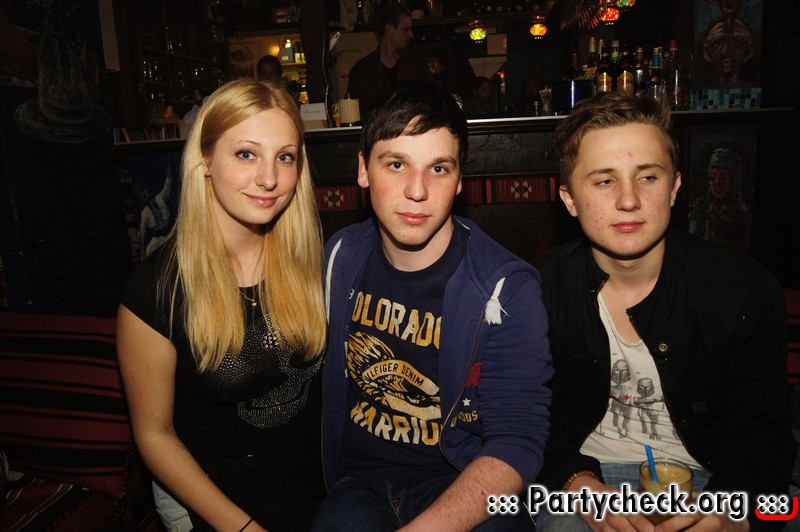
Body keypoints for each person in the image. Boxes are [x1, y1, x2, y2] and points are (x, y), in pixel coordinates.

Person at [532, 91, 793, 531]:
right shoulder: (538, 290)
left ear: (674, 188)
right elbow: (528, 423)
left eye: (648, 177)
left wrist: (733, 513)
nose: (629, 200)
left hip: (712, 481)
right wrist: (577, 483)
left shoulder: (743, 290)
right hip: (584, 481)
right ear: (569, 198)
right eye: (604, 181)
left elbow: (763, 433)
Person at [312, 80, 553, 531]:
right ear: (363, 170)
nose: (417, 190)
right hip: (358, 485)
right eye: (396, 164)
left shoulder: (504, 288)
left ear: (459, 180)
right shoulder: (340, 258)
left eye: (438, 168)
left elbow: (517, 440)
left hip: (465, 477)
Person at [116, 78, 328, 532]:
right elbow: (154, 435)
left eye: (285, 157)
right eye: (247, 154)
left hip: (320, 487)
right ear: (206, 159)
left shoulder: (313, 261)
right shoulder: (155, 291)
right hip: (220, 497)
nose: (269, 178)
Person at [346, 2, 433, 119]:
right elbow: (352, 115)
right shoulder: (362, 71)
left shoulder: (417, 66)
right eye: (405, 30)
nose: (411, 35)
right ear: (389, 29)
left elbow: (431, 106)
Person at [688, 147, 752, 250]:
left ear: (733, 180)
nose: (717, 183)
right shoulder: (700, 211)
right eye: (712, 177)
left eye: (723, 178)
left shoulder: (743, 216)